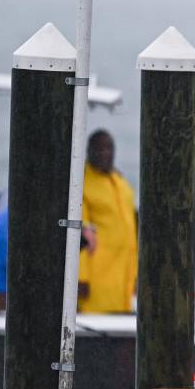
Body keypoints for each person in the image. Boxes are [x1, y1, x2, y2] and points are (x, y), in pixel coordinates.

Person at [77, 130, 138, 313]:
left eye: (109, 148)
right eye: (100, 149)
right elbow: (79, 235)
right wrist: (81, 277)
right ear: (89, 151)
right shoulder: (82, 185)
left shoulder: (119, 181)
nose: (105, 153)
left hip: (124, 272)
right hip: (98, 275)